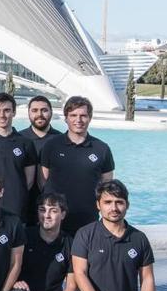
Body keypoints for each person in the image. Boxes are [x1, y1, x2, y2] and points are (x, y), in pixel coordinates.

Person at [70, 180, 155, 291]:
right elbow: (80, 273)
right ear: (98, 205)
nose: (114, 208)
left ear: (127, 205)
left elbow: (147, 279)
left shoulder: (139, 239)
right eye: (108, 202)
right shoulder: (85, 234)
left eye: (119, 202)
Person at [4, 192, 76, 291]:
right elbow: (6, 266)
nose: (47, 215)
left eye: (53, 210)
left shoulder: (70, 243)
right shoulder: (25, 235)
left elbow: (71, 287)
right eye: (42, 210)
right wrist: (14, 282)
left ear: (63, 214)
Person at [41, 96, 115, 235]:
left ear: (90, 118)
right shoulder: (51, 146)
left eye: (83, 116)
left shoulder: (101, 149)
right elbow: (43, 180)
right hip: (55, 221)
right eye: (73, 115)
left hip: (87, 221)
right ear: (66, 118)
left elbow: (106, 186)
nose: (78, 120)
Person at [18, 95, 62, 224]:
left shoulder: (61, 140)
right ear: (29, 113)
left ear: (51, 112)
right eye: (35, 110)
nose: (39, 114)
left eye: (44, 110)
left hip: (53, 207)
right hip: (23, 205)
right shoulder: (18, 139)